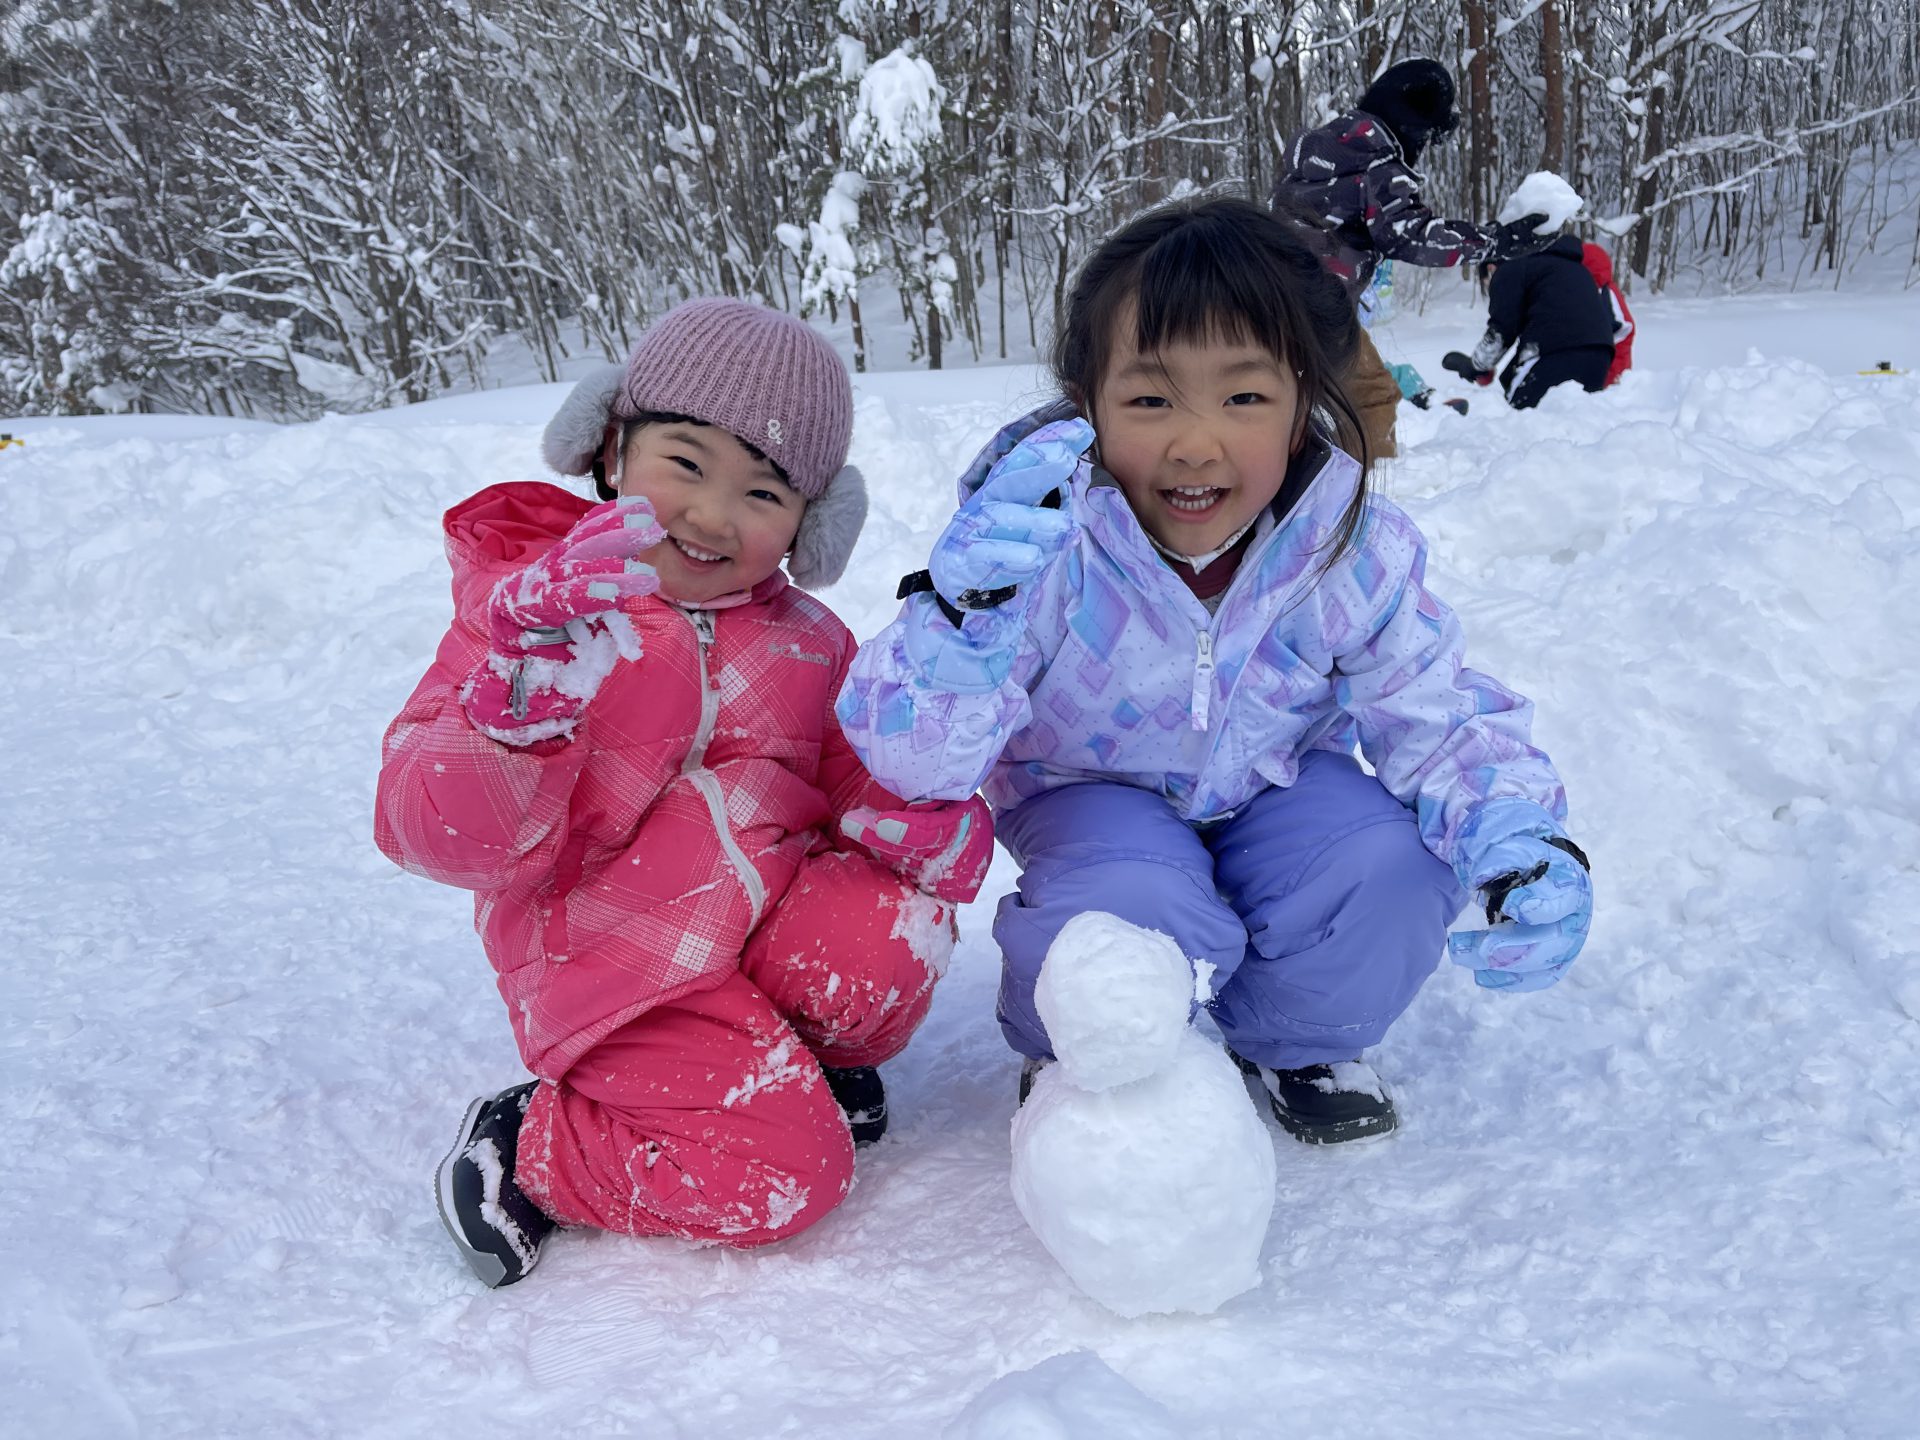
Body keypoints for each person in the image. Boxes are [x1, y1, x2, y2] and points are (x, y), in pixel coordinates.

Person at [836, 197, 1593, 1147]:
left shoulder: (1344, 546)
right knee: (1130, 903)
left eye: (1243, 397)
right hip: (1090, 794)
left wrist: (1515, 829)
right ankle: (1093, 1041)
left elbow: (1431, 710)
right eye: (1151, 400)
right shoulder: (1036, 545)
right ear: (1091, 402)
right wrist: (959, 625)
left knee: (1388, 866)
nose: (1196, 444)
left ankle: (1295, 1036)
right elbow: (915, 768)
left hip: (1275, 785)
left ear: (1301, 398)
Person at [375, 299, 993, 1287]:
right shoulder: (534, 624)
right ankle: (538, 1143)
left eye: (762, 492)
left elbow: (858, 785)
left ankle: (801, 1060)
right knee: (791, 1174)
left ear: (811, 523)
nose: (713, 515)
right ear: (610, 445)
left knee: (890, 932)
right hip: (615, 967)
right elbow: (430, 835)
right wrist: (515, 711)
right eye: (688, 465)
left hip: (743, 938)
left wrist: (929, 816)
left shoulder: (809, 640)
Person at [1271, 57, 1556, 459]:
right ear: (1412, 125)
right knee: (1372, 395)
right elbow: (1409, 235)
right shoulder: (1378, 160)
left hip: (1266, 295)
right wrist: (1496, 241)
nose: (1422, 149)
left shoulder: (1320, 153)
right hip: (1314, 309)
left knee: (1290, 400)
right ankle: (1360, 499)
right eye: (1427, 137)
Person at [1441, 236, 1617, 409]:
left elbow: (1502, 331)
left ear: (1491, 268)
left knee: (1522, 423)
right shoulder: (1568, 266)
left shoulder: (1509, 267)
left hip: (1556, 353)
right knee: (1573, 423)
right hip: (1600, 356)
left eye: (1488, 284)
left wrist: (1476, 366)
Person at [1580, 241, 1635, 387]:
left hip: (1614, 367)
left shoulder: (1605, 293)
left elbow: (1623, 329)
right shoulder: (1594, 291)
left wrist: (1611, 373)